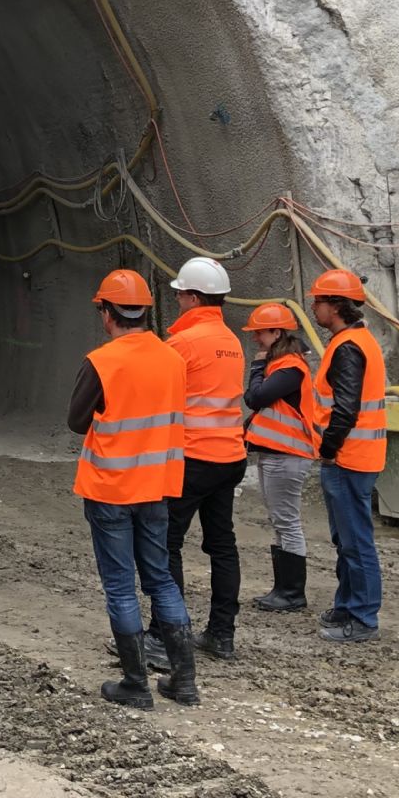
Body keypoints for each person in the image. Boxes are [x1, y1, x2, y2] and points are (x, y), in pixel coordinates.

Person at [66, 269, 198, 710]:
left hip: (110, 488)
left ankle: (136, 684)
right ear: (145, 310)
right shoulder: (173, 359)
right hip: (158, 486)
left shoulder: (103, 361)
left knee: (121, 587)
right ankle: (184, 681)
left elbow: (76, 421)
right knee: (160, 578)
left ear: (107, 312)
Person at [161, 257, 247, 661]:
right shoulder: (232, 342)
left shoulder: (182, 343)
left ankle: (166, 634)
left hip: (192, 457)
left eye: (180, 295)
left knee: (165, 545)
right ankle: (221, 634)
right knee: (222, 545)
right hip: (229, 456)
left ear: (194, 298)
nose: (177, 300)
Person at [302, 269, 388, 643]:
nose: (314, 307)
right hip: (355, 456)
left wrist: (328, 448)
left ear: (335, 306)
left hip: (347, 459)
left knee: (355, 541)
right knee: (347, 539)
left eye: (318, 301)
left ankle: (363, 617)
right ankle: (348, 604)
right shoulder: (357, 341)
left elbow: (346, 409)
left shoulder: (348, 348)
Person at [240, 302, 316, 613]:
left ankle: (292, 593)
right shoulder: (284, 366)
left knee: (287, 522)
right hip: (279, 455)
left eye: (260, 332)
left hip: (287, 456)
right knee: (282, 521)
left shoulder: (289, 368)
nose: (256, 338)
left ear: (277, 332)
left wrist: (257, 367)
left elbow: (255, 397)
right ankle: (283, 590)